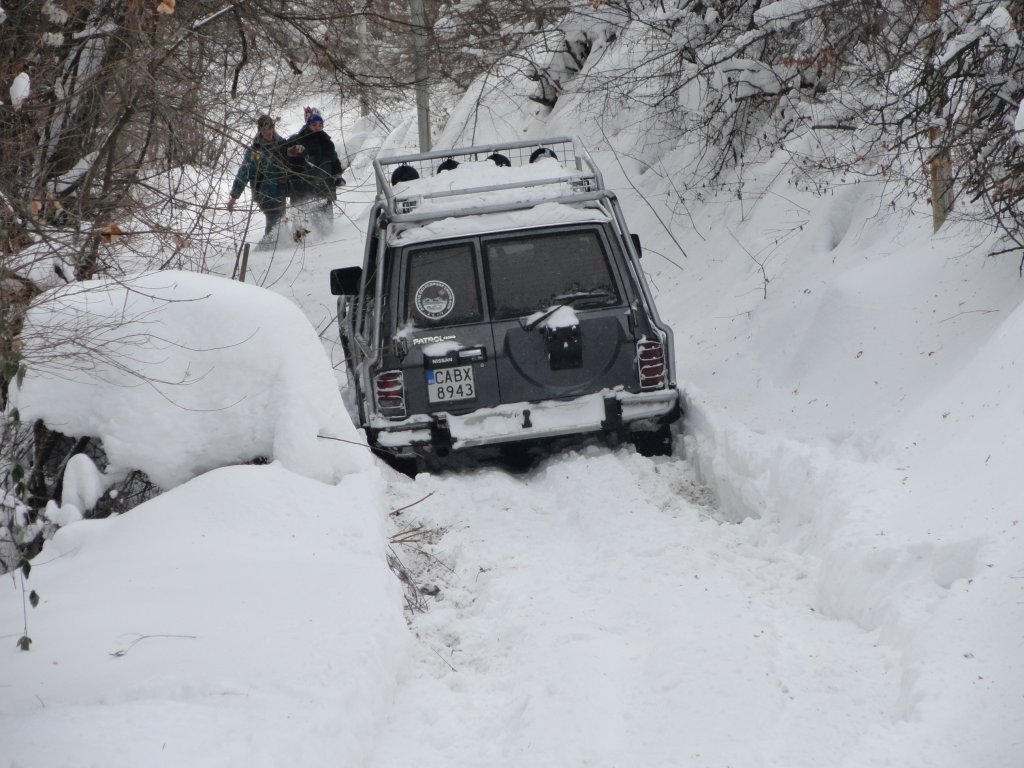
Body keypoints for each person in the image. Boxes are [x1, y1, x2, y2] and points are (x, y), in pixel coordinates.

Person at [227, 114, 288, 240]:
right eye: (264, 129)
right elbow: (244, 173)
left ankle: (278, 244)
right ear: (260, 130)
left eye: (270, 128)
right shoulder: (255, 151)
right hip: (264, 192)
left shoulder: (282, 145)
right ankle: (269, 246)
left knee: (280, 219)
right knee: (275, 219)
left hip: (281, 190)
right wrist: (234, 196)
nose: (268, 132)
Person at [284, 108, 344, 215]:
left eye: (320, 125)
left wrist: (338, 175)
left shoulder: (327, 142)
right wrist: (294, 153)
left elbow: (334, 161)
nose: (317, 127)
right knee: (302, 225)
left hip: (324, 188)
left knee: (326, 227)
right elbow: (285, 155)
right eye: (314, 124)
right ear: (308, 125)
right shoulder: (297, 139)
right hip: (302, 190)